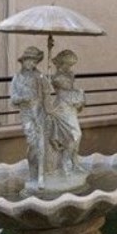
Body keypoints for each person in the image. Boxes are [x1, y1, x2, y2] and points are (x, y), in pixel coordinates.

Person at [10, 46, 50, 189]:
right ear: (24, 61)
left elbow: (47, 93)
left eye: (35, 62)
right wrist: (22, 98)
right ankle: (33, 171)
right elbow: (13, 99)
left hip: (40, 113)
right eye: (30, 61)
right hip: (27, 114)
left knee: (41, 144)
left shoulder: (39, 76)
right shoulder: (17, 78)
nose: (33, 64)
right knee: (33, 144)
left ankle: (41, 176)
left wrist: (48, 109)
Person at [47, 49, 85, 179]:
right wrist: (78, 94)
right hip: (62, 107)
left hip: (70, 106)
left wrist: (79, 96)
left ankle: (74, 162)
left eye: (71, 65)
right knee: (74, 135)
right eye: (68, 64)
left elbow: (72, 89)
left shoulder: (70, 74)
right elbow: (67, 89)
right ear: (61, 63)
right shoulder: (57, 78)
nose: (70, 67)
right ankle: (65, 162)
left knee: (75, 135)